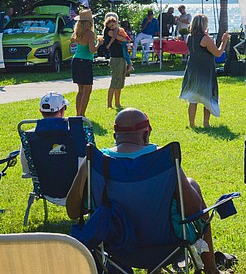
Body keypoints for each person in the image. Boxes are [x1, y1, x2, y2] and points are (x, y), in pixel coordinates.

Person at [67, 108, 226, 274]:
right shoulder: (163, 159)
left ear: (115, 136)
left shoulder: (94, 161)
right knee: (191, 184)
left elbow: (72, 211)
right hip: (168, 246)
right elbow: (194, 210)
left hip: (114, 248)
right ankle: (210, 268)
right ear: (145, 134)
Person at [180, 14, 229, 128]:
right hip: (205, 70)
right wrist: (224, 41)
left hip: (193, 68)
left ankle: (192, 124)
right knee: (207, 96)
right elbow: (218, 53)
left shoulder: (189, 37)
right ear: (203, 25)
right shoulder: (205, 39)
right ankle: (206, 123)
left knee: (193, 98)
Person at [70, 9, 97, 117]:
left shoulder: (77, 32)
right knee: (87, 90)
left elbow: (72, 40)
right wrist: (99, 44)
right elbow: (92, 50)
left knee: (80, 90)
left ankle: (79, 114)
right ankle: (81, 115)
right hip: (85, 62)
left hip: (76, 60)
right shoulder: (90, 34)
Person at [103, 14, 129, 109]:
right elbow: (122, 39)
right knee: (115, 81)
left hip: (121, 58)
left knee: (120, 81)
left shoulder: (116, 30)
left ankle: (117, 103)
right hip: (116, 58)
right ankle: (109, 104)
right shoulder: (109, 31)